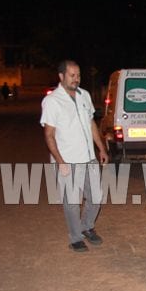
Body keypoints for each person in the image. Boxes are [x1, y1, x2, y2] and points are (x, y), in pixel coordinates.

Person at [40, 60, 109, 252]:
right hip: (67, 160)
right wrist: (60, 162)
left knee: (95, 197)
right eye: (72, 75)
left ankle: (87, 227)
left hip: (89, 158)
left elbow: (91, 124)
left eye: (78, 75)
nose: (76, 79)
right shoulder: (52, 101)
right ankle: (75, 238)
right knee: (72, 202)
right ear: (61, 76)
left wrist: (101, 149)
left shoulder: (84, 95)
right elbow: (49, 134)